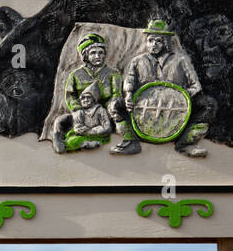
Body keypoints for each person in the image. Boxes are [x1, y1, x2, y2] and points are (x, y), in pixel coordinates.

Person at [110, 18, 217, 157]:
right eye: (150, 40)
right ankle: (130, 141)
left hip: (176, 108)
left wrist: (181, 97)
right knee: (115, 105)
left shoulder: (181, 60)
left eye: (158, 41)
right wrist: (129, 95)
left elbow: (195, 85)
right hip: (144, 108)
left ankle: (186, 143)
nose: (153, 44)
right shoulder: (137, 61)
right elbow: (129, 82)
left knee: (209, 104)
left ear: (166, 42)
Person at [53, 33, 119, 153]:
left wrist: (108, 109)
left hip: (103, 114)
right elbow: (70, 95)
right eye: (93, 53)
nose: (98, 56)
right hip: (81, 114)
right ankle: (60, 145)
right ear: (85, 55)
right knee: (60, 121)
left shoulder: (112, 73)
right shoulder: (75, 75)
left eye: (101, 52)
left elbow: (116, 95)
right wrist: (77, 109)